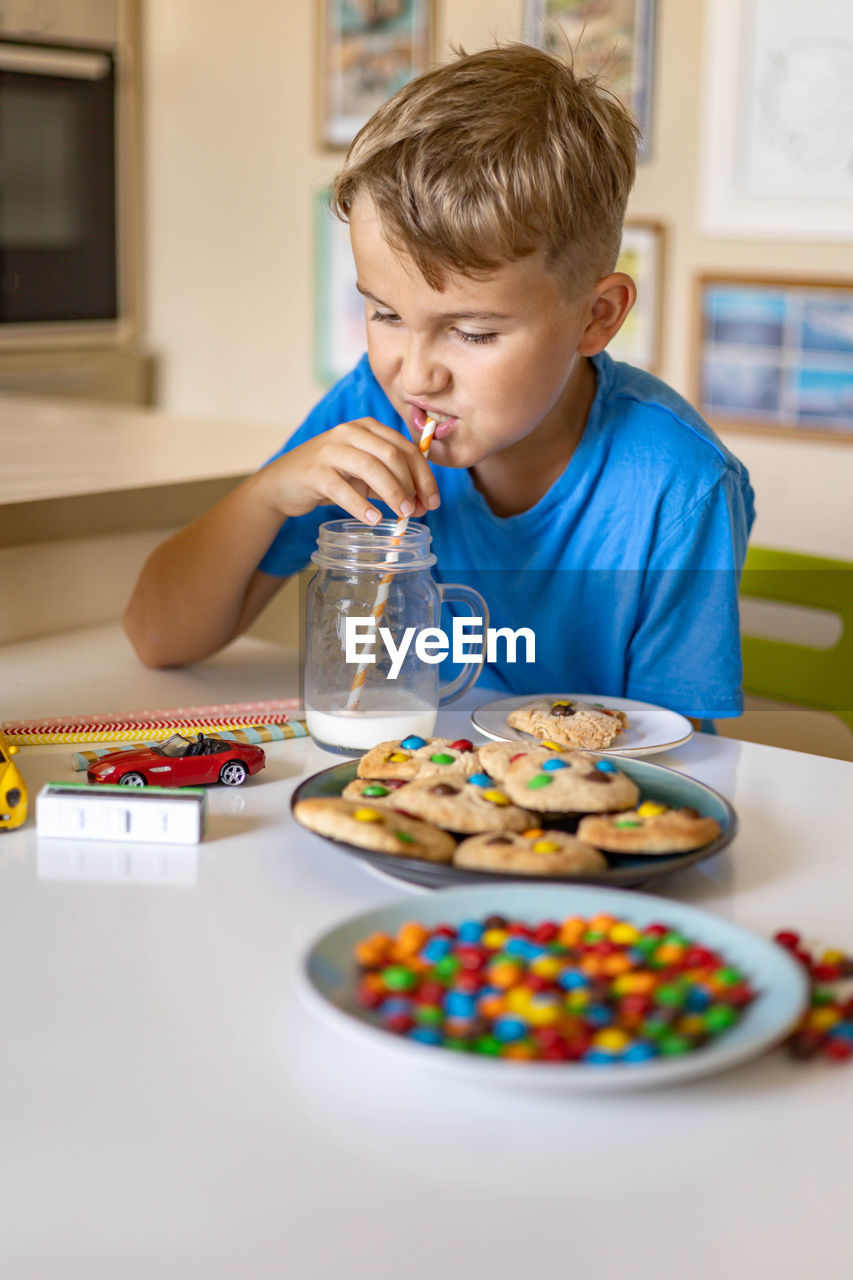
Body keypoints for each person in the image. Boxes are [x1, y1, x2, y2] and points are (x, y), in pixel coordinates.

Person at [124, 43, 754, 725]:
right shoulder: (372, 404)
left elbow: (672, 757)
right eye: (385, 314)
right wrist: (269, 493)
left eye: (473, 333)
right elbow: (157, 637)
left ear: (595, 318)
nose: (415, 373)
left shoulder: (678, 485)